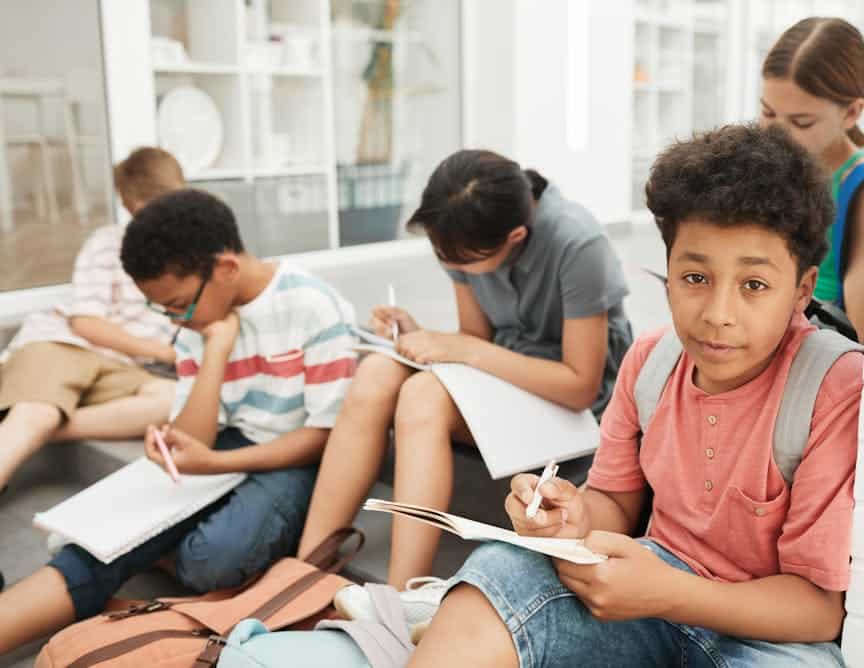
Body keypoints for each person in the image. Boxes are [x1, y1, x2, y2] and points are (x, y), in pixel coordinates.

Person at [409, 125, 864, 667]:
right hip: (647, 593)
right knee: (500, 570)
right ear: (667, 274)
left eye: (754, 285)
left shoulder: (832, 387)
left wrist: (670, 593)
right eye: (695, 277)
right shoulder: (650, 360)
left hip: (769, 638)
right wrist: (570, 517)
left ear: (803, 290)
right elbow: (617, 504)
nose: (718, 313)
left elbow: (819, 610)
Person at [0, 188, 358, 655]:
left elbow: (324, 438)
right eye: (162, 309)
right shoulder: (197, 325)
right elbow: (194, 438)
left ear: (225, 269)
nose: (174, 318)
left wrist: (208, 462)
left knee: (214, 559)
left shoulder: (313, 306)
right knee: (101, 543)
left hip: (292, 456)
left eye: (179, 304)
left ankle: (166, 549)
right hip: (223, 449)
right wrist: (216, 348)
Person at [298, 149, 633, 605]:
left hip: (573, 401)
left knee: (421, 396)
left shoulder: (578, 243)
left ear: (515, 236)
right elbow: (475, 336)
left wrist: (466, 349)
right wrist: (421, 337)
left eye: (463, 263)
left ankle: (402, 600)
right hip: (507, 375)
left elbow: (580, 385)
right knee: (377, 371)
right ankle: (305, 573)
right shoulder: (460, 237)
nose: (452, 266)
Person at [0, 147, 186, 495]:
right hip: (64, 344)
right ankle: (33, 423)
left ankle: (43, 427)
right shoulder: (107, 243)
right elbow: (86, 323)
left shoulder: (191, 254)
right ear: (130, 204)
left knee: (174, 399)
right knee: (35, 415)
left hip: (121, 367)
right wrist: (161, 352)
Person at [760, 17, 864, 342]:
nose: (778, 134)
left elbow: (863, 322)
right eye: (768, 113)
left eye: (801, 122)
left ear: (851, 113)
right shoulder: (769, 168)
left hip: (818, 348)